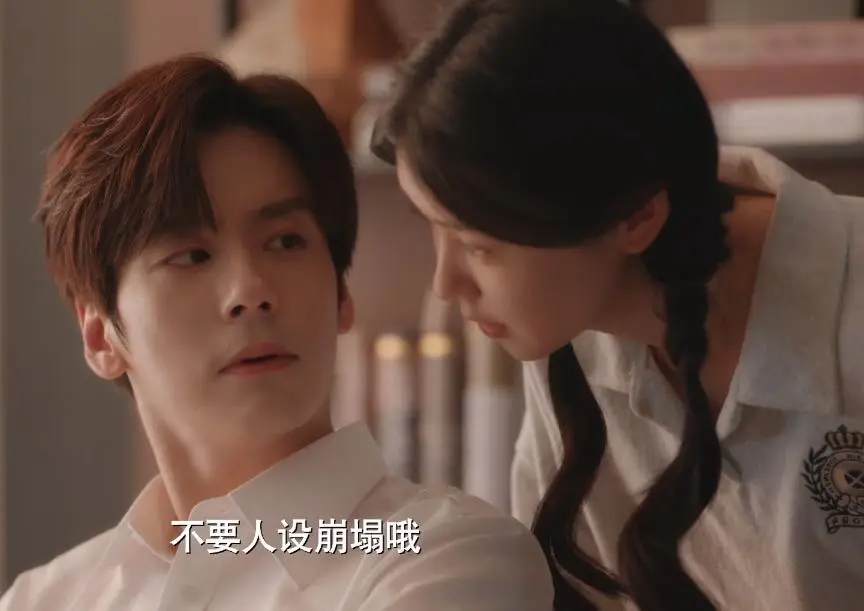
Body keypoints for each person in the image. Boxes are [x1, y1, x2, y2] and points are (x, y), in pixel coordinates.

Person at [0, 55, 554, 611]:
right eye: (191, 255)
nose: (250, 289)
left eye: (286, 242)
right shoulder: (45, 598)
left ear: (340, 293)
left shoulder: (449, 558)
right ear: (100, 335)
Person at [370, 0, 864, 610]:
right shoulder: (569, 329)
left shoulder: (845, 307)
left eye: (479, 246)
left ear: (636, 216)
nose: (446, 285)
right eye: (432, 227)